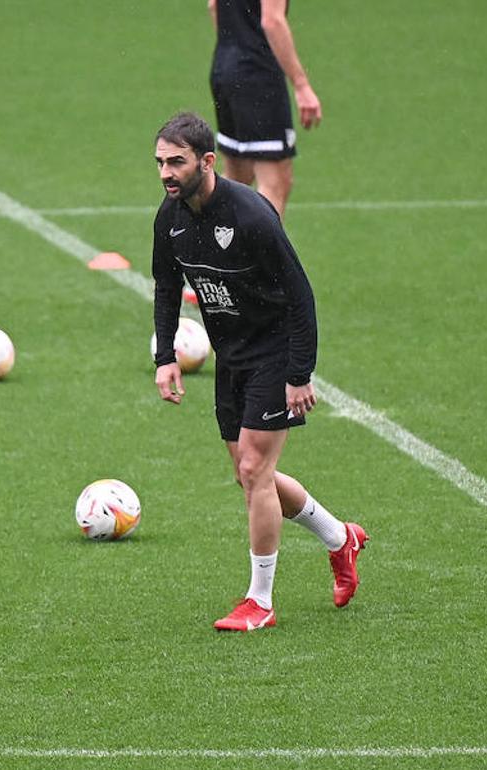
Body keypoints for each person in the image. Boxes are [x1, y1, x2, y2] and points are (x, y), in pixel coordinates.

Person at [151, 112, 366, 632]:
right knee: (252, 479)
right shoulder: (171, 217)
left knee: (254, 471)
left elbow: (300, 295)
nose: (165, 174)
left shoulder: (251, 215)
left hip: (274, 352)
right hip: (232, 359)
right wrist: (165, 357)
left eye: (175, 162)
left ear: (207, 161)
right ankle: (341, 539)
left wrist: (299, 373)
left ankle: (260, 602)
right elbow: (164, 286)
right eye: (159, 163)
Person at [208, 0, 322, 219]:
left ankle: (211, 248)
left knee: (236, 177)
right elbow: (272, 21)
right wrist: (301, 85)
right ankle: (258, 253)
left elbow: (214, 6)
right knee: (276, 183)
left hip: (224, 66)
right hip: (258, 74)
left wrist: (235, 48)